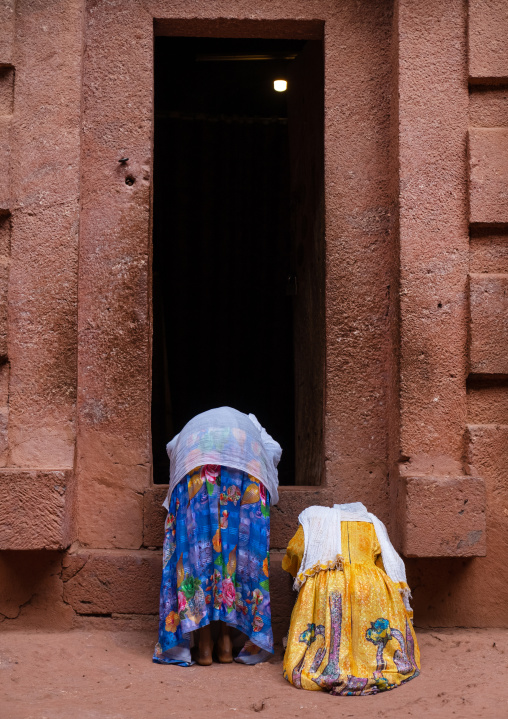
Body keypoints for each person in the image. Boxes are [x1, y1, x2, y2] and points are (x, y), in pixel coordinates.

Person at [153, 407, 281, 666]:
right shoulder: (251, 424)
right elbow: (274, 450)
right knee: (235, 554)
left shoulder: (194, 425)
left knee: (197, 554)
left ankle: (203, 643)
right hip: (247, 469)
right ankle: (225, 639)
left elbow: (171, 448)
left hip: (195, 464)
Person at [282, 503, 420, 694]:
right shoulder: (372, 523)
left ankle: (331, 666)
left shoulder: (313, 518)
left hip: (329, 582)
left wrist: (304, 573)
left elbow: (296, 551)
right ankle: (373, 667)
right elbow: (385, 560)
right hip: (371, 582)